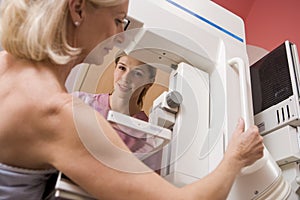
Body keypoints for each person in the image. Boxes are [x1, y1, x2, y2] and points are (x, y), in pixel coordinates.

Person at [0, 0, 264, 200]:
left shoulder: (5, 64)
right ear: (78, 9)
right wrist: (236, 158)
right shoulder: (62, 115)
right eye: (119, 20)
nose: (121, 36)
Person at [73, 53, 163, 173]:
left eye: (137, 73)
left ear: (148, 83)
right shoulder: (80, 102)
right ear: (115, 69)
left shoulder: (148, 136)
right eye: (122, 68)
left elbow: (145, 180)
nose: (125, 78)